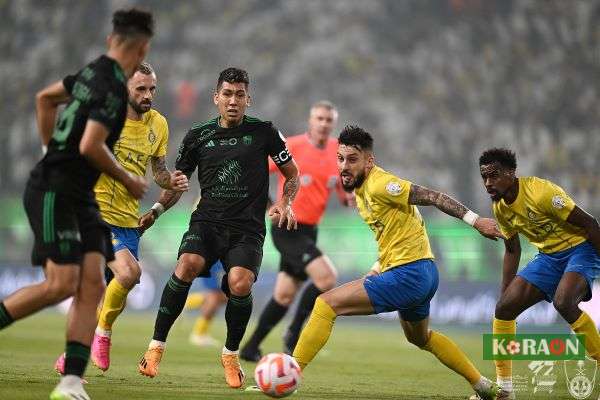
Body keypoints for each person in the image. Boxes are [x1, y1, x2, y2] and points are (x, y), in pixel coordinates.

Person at [0, 8, 154, 400]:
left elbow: (45, 99)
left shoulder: (90, 72)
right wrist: (129, 179)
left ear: (111, 41)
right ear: (142, 48)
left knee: (91, 285)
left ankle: (70, 382)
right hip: (55, 190)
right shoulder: (113, 91)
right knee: (60, 285)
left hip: (79, 193)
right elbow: (90, 145)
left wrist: (48, 146)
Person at [292, 126, 507, 400]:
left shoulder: (382, 184)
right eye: (340, 158)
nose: (344, 166)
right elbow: (394, 235)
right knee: (420, 338)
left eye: (352, 159)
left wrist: (475, 221)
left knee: (325, 304)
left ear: (369, 161)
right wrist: (377, 266)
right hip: (423, 272)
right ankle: (486, 388)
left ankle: (288, 375)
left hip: (410, 274)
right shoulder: (361, 192)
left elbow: (435, 197)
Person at [137, 67, 300, 389]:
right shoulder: (198, 135)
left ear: (248, 99)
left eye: (240, 95)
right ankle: (155, 348)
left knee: (239, 283)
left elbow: (292, 174)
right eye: (227, 94)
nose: (233, 100)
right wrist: (156, 210)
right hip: (207, 221)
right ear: (216, 98)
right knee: (187, 265)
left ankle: (230, 355)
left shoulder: (265, 132)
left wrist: (285, 202)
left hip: (247, 228)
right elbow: (177, 182)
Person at [53, 62, 189, 374]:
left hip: (128, 219)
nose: (148, 95)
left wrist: (173, 182)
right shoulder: (103, 119)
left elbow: (159, 174)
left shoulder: (159, 124)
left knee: (108, 289)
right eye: (140, 88)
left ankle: (71, 361)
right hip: (93, 212)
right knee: (128, 273)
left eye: (152, 88)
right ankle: (102, 335)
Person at [477, 148, 600, 399]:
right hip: (549, 258)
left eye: (494, 175)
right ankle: (505, 389)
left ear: (511, 173)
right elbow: (512, 250)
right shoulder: (500, 208)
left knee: (564, 302)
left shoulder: (542, 193)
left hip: (581, 249)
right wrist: (506, 295)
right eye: (484, 177)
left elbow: (591, 224)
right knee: (503, 309)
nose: (488, 183)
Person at [241, 100, 350, 361]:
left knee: (284, 294)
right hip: (287, 227)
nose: (324, 124)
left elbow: (343, 188)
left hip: (311, 230)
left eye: (328, 120)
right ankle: (293, 334)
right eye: (319, 119)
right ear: (310, 121)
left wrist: (350, 196)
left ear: (333, 124)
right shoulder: (292, 146)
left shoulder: (338, 151)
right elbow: (254, 170)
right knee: (326, 279)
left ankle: (250, 347)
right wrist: (271, 204)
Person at [184, 260, 228, 347]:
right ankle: (199, 333)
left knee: (224, 297)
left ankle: (182, 304)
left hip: (223, 260)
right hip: (214, 261)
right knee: (215, 296)